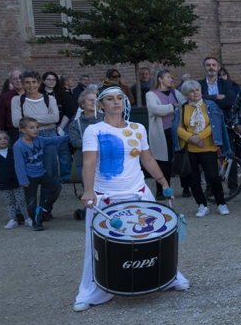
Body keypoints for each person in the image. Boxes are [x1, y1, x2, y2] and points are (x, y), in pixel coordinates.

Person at [75, 87, 186, 311]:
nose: (116, 103)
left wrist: (163, 182)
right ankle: (91, 290)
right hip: (106, 198)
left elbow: (147, 158)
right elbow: (88, 163)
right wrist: (88, 191)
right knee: (98, 246)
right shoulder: (94, 130)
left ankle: (167, 276)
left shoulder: (138, 128)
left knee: (153, 238)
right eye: (109, 99)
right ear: (100, 105)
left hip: (138, 193)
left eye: (120, 98)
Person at [175, 81, 230, 217]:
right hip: (190, 150)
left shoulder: (210, 106)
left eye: (197, 90)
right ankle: (202, 205)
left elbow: (214, 125)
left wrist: (199, 137)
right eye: (192, 91)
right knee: (193, 179)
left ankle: (221, 203)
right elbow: (177, 128)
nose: (196, 92)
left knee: (213, 177)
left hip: (208, 147)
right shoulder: (182, 109)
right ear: (186, 94)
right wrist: (191, 138)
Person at [13, 118, 67, 230]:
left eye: (37, 127)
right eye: (31, 127)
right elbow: (19, 165)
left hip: (41, 173)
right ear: (23, 130)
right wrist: (23, 180)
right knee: (31, 200)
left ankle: (44, 209)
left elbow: (54, 140)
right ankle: (35, 222)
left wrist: (70, 137)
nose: (36, 129)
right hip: (29, 176)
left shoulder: (39, 140)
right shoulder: (18, 145)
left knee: (56, 187)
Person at [11, 70, 64, 184]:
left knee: (50, 168)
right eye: (27, 82)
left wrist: (27, 119)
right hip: (27, 138)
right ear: (23, 84)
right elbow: (16, 122)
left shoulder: (49, 99)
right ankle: (31, 198)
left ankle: (47, 199)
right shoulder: (17, 100)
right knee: (29, 169)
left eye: (34, 82)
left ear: (39, 83)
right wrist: (45, 118)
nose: (31, 85)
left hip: (48, 134)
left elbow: (55, 118)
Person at [145, 69, 186, 193]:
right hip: (162, 133)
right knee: (163, 162)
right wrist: (174, 106)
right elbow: (155, 109)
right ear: (160, 79)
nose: (171, 80)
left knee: (182, 159)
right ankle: (162, 190)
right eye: (168, 77)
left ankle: (186, 188)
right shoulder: (151, 94)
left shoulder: (175, 92)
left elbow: (184, 105)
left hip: (178, 131)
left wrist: (166, 110)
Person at [0, 129, 28, 228]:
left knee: (22, 200)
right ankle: (13, 219)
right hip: (3, 183)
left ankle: (27, 218)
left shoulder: (14, 152)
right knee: (9, 202)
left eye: (5, 138)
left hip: (17, 181)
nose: (3, 140)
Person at [68, 89, 104, 182]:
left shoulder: (107, 119)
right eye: (90, 100)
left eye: (96, 100)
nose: (94, 102)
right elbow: (75, 142)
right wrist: (99, 143)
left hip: (106, 161)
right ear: (82, 104)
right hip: (84, 162)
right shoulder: (75, 124)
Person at [0, 70, 23, 145]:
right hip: (14, 133)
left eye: (20, 78)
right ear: (10, 81)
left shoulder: (33, 94)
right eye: (14, 79)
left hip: (33, 131)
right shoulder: (5, 97)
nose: (18, 80)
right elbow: (0, 118)